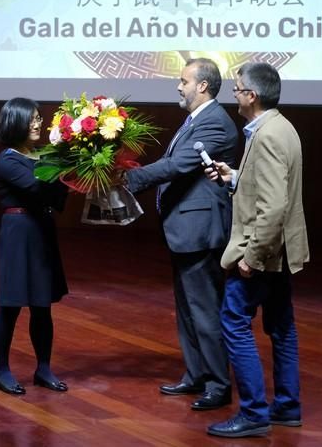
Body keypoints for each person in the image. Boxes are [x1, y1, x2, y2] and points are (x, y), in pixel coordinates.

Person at [124, 58, 238, 410]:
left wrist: (129, 178)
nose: (178, 86)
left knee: (204, 310)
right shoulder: (197, 119)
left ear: (202, 85)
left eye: (183, 80)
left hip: (200, 232)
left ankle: (218, 385)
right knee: (188, 309)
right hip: (186, 231)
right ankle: (196, 375)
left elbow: (178, 165)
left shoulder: (216, 123)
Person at [204, 63, 310, 437]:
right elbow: (268, 190)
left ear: (252, 95)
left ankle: (252, 412)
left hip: (262, 253)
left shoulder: (265, 136)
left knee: (234, 322)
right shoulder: (281, 127)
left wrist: (251, 257)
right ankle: (286, 405)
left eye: (236, 90)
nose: (233, 95)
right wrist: (234, 177)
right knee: (282, 328)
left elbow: (273, 207)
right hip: (281, 252)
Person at [0, 97, 69, 395]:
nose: (38, 123)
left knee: (42, 305)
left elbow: (56, 196)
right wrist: (63, 168)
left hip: (41, 231)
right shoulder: (7, 159)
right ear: (16, 122)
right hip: (18, 233)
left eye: (39, 117)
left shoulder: (42, 154)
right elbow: (38, 187)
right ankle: (1, 371)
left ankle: (43, 368)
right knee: (10, 306)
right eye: (32, 119)